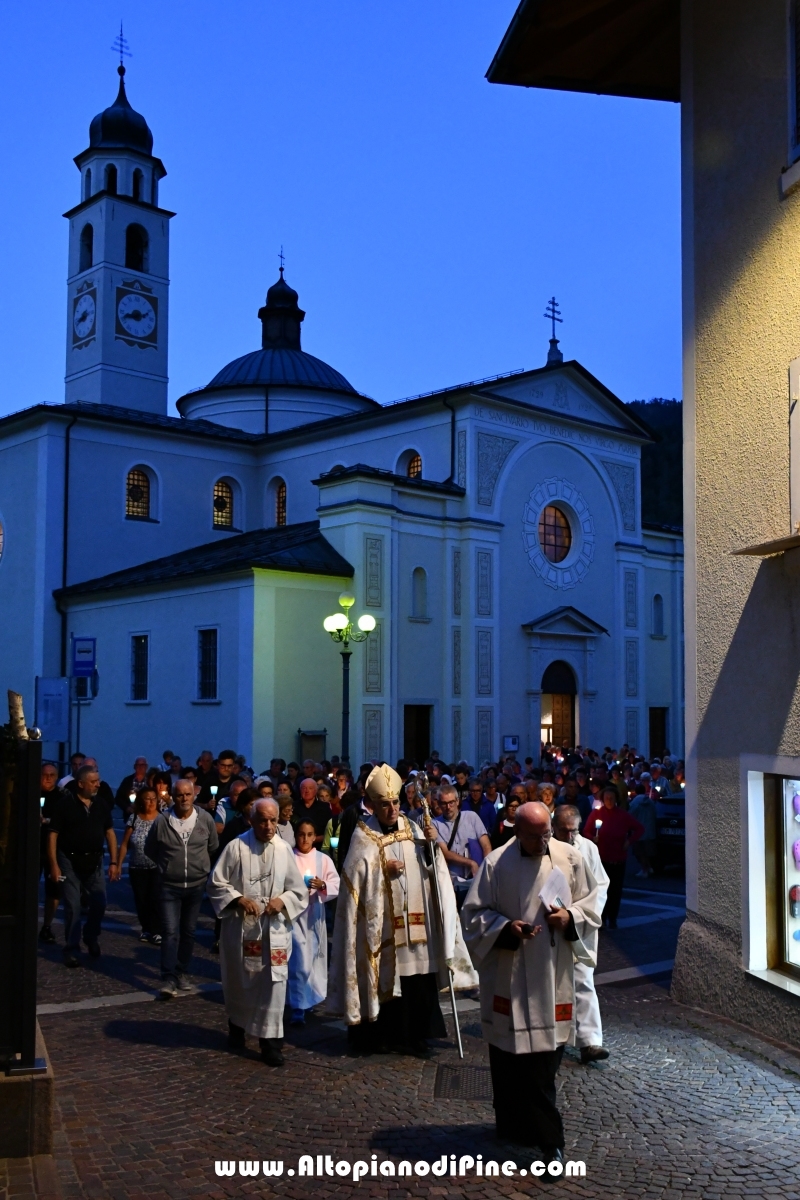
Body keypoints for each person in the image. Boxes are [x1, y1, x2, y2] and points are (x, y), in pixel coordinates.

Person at [461, 802, 600, 1164]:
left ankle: (550, 1143)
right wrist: (507, 928)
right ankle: (511, 1125)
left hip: (552, 974)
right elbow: (473, 915)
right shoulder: (497, 864)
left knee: (541, 1070)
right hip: (510, 974)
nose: (544, 842)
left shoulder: (569, 857)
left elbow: (592, 903)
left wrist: (569, 916)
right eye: (536, 836)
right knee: (507, 1059)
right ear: (516, 831)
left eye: (548, 833)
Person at [329, 764, 476, 1057]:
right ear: (374, 805)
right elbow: (354, 875)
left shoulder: (414, 828)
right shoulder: (364, 836)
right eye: (385, 805)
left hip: (419, 925)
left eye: (395, 803)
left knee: (418, 983)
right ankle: (382, 1037)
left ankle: (417, 1037)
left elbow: (433, 871)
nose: (392, 809)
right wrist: (382, 868)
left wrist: (432, 847)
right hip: (383, 927)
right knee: (386, 979)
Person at [207, 799, 307, 1067]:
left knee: (274, 985)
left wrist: (283, 901)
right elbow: (216, 883)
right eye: (263, 820)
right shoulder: (237, 847)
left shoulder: (284, 850)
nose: (269, 826)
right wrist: (238, 898)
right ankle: (237, 1027)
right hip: (243, 929)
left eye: (273, 820)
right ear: (251, 820)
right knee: (242, 981)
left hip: (273, 931)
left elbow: (298, 891)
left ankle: (271, 1044)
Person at [144, 778, 218, 998]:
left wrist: (199, 866)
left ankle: (182, 972)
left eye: (188, 794)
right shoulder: (162, 821)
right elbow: (151, 849)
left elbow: (213, 846)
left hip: (196, 886)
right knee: (170, 932)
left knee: (189, 932)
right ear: (173, 797)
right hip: (169, 886)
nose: (184, 799)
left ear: (193, 795)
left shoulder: (205, 819)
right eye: (179, 795)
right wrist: (167, 865)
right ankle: (168, 978)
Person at [552, 804, 610, 1063]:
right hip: (551, 923)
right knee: (552, 983)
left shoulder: (588, 848)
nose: (569, 837)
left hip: (579, 923)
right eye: (563, 831)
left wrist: (578, 915)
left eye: (573, 831)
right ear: (553, 827)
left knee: (583, 979)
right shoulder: (545, 847)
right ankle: (552, 1038)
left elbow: (600, 886)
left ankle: (590, 1042)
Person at [47, 764, 120, 967]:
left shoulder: (101, 804)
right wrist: (54, 865)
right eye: (93, 782)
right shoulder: (64, 804)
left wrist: (114, 862)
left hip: (94, 861)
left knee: (100, 903)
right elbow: (53, 835)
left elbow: (110, 833)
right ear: (81, 784)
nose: (98, 785)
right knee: (73, 905)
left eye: (98, 780)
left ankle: (91, 936)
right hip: (69, 860)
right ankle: (71, 948)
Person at [288, 819, 340, 1025]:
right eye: (301, 834)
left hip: (313, 914)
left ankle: (307, 997)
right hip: (293, 916)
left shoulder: (322, 859)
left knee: (312, 960)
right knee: (298, 961)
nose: (305, 839)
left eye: (310, 834)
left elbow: (335, 882)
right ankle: (297, 1006)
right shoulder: (289, 856)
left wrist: (323, 884)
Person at [583, 787, 644, 928]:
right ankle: (601, 917)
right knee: (600, 889)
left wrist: (629, 841)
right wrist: (593, 838)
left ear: (616, 799)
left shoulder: (622, 815)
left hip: (618, 859)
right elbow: (586, 831)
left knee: (615, 890)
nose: (609, 801)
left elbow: (640, 828)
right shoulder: (596, 814)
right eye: (606, 798)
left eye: (611, 798)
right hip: (601, 859)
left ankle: (613, 918)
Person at [116, 787, 162, 944]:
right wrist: (118, 864)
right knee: (141, 900)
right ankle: (146, 929)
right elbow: (124, 844)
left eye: (153, 798)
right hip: (137, 867)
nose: (150, 802)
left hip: (157, 867)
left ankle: (156, 931)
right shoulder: (134, 818)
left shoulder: (162, 818)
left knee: (155, 898)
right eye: (147, 798)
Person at [432, 785, 492, 895]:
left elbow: (486, 845)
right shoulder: (435, 824)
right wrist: (470, 863)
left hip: (477, 876)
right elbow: (445, 852)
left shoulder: (471, 816)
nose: (448, 807)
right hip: (454, 879)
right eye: (444, 803)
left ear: (457, 801)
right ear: (439, 804)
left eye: (451, 802)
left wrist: (486, 869)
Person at [38, 762, 68, 944]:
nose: (47, 779)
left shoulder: (62, 797)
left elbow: (65, 820)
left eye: (51, 775)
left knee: (55, 889)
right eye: (44, 775)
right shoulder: (30, 791)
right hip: (33, 847)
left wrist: (48, 821)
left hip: (55, 849)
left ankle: (47, 926)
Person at [292, 777, 332, 847]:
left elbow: (329, 829)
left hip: (319, 846)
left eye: (310, 788)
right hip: (297, 845)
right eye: (304, 788)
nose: (307, 791)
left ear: (316, 790)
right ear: (300, 790)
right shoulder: (294, 806)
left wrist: (315, 839)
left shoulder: (324, 807)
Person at [629, 784, 657, 877]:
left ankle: (644, 870)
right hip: (650, 830)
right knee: (647, 852)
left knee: (640, 852)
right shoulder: (650, 801)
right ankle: (649, 868)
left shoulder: (634, 803)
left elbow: (630, 816)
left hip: (639, 831)